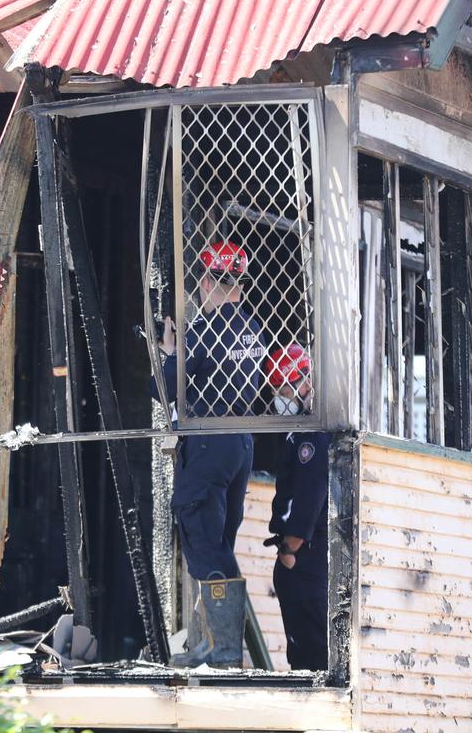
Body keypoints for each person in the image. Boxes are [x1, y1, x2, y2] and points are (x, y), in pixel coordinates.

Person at [153, 240, 264, 666]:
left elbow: (163, 388)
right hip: (241, 443)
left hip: (208, 442)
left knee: (202, 536)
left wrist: (169, 354)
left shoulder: (204, 331)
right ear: (241, 284)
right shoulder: (253, 328)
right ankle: (219, 646)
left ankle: (223, 652)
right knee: (221, 545)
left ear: (205, 280)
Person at [263, 343, 329, 671]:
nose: (278, 396)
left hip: (305, 562)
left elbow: (309, 496)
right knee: (301, 654)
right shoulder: (297, 433)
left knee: (313, 656)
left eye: (281, 388)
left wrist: (290, 549)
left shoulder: (309, 437)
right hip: (299, 564)